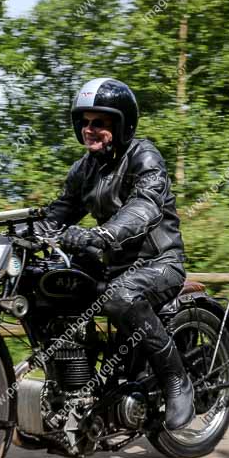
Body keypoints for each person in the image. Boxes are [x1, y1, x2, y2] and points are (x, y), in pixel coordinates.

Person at [41, 77, 194, 430]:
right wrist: (23, 232)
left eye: (100, 123)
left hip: (160, 263)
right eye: (85, 122)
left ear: (122, 125)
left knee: (118, 296)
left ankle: (176, 379)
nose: (89, 129)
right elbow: (60, 211)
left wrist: (101, 234)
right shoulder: (85, 168)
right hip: (115, 267)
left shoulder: (144, 157)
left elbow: (144, 206)